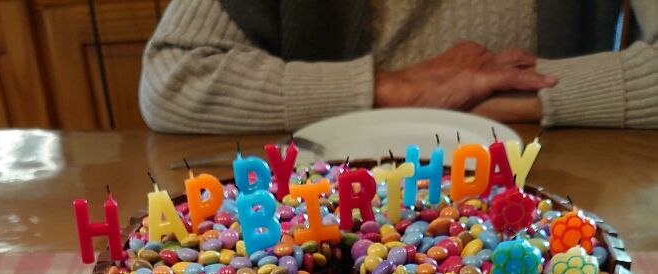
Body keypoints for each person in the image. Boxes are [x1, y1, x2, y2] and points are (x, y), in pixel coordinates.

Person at [140, 0, 658, 133]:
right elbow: (173, 80)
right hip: (330, 207)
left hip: (549, 200)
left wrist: (508, 102)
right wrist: (393, 90)